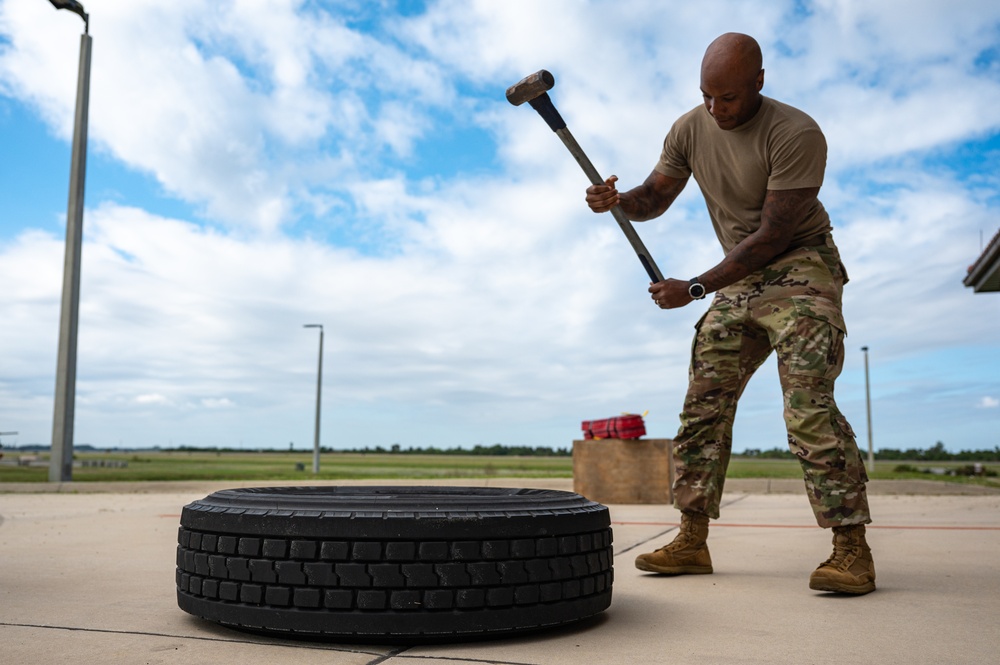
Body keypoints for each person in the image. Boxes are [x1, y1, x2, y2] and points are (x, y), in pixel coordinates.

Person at [585, 33, 875, 594]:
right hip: (737, 277)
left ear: (759, 83)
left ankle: (851, 550)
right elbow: (654, 197)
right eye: (708, 96)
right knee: (702, 408)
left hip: (800, 268)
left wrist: (694, 288)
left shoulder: (797, 133)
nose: (717, 110)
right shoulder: (691, 127)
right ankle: (691, 540)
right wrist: (618, 202)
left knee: (808, 406)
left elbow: (772, 236)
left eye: (730, 98)